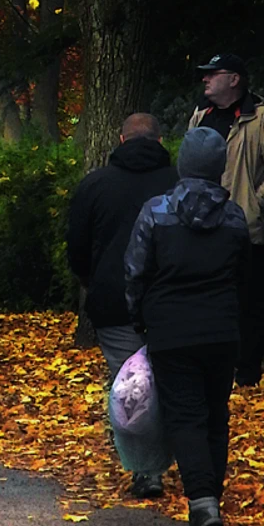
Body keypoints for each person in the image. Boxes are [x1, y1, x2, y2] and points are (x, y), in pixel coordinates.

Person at [125, 127, 251, 526]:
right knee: (216, 416)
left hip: (171, 330)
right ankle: (210, 500)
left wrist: (138, 315)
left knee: (185, 416)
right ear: (220, 167)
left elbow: (136, 270)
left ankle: (202, 502)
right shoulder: (235, 218)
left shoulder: (157, 211)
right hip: (221, 331)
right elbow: (245, 279)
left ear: (182, 164)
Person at [66, 111, 179, 499]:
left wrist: (89, 281)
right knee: (168, 380)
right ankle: (179, 458)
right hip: (171, 301)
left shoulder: (96, 185)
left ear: (120, 141)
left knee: (131, 384)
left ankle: (147, 470)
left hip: (113, 302)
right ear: (160, 142)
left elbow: (77, 248)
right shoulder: (178, 184)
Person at [187, 54, 264, 385]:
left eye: (212, 74)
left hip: (247, 231)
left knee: (249, 304)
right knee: (205, 301)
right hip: (201, 229)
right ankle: (211, 366)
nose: (204, 79)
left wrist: (256, 201)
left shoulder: (261, 119)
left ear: (234, 79)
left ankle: (248, 373)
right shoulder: (200, 117)